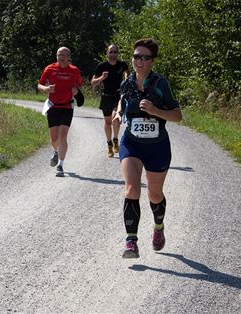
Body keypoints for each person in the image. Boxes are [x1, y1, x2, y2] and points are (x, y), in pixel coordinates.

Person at [113, 38, 182, 258]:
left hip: (157, 146)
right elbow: (122, 101)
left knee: (154, 193)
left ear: (152, 61)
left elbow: (177, 116)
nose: (139, 61)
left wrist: (155, 110)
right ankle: (131, 242)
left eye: (144, 57)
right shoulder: (127, 82)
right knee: (132, 189)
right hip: (131, 143)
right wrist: (117, 113)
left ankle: (158, 227)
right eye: (135, 56)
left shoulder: (161, 84)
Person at [38, 46, 83, 177]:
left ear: (69, 57)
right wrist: (46, 89)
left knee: (63, 136)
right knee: (54, 138)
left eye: (64, 55)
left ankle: (60, 165)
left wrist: (76, 90)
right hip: (52, 106)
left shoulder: (74, 70)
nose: (61, 58)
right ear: (56, 56)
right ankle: (56, 152)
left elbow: (79, 84)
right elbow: (39, 85)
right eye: (59, 55)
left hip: (67, 106)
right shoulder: (50, 68)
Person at [91, 45, 129, 157]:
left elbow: (128, 73)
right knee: (107, 122)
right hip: (106, 96)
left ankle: (116, 139)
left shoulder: (122, 65)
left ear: (117, 53)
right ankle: (109, 144)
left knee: (115, 119)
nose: (113, 54)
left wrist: (127, 78)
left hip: (118, 96)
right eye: (110, 52)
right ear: (107, 53)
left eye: (115, 52)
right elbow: (93, 82)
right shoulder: (102, 66)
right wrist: (102, 78)